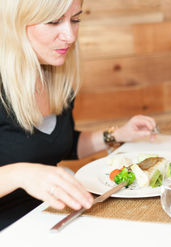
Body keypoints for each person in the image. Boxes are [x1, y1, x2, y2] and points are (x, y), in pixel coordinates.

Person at [0, 0, 157, 230]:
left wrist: (118, 134)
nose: (70, 36)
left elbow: (61, 144)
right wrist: (21, 174)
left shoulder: (55, 78)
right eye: (54, 22)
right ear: (15, 23)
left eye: (75, 20)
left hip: (46, 219)